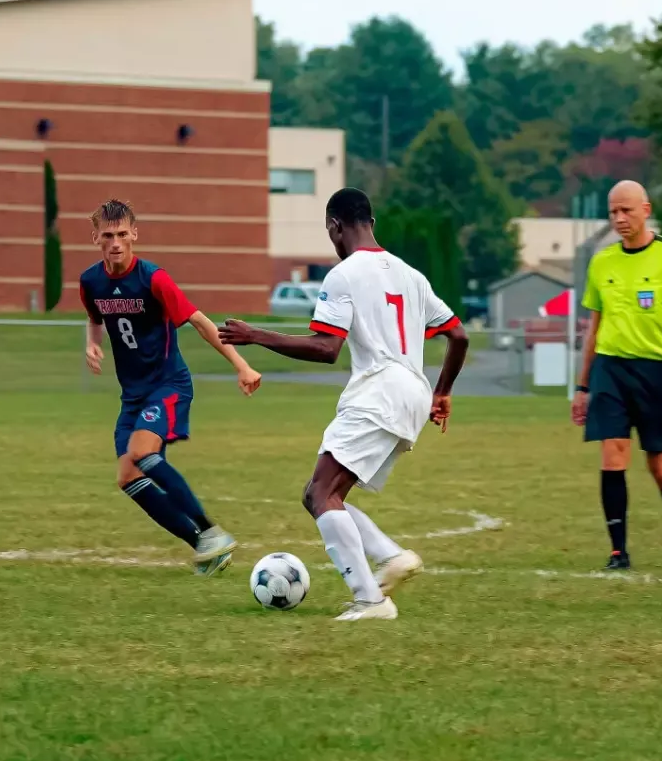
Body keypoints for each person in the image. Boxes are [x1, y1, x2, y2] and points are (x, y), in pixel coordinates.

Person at [221, 188, 469, 620]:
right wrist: (442, 392)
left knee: (321, 493)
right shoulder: (412, 275)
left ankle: (370, 599)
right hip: (413, 392)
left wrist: (257, 336)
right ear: (371, 222)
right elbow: (459, 335)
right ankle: (389, 558)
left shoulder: (344, 274)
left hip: (379, 392)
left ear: (336, 226)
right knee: (320, 494)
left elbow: (326, 347)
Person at [81, 199, 263, 576]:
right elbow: (94, 316)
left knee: (143, 453)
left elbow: (199, 321)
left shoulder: (154, 279)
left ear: (134, 234)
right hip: (132, 395)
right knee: (127, 475)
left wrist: (242, 365)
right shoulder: (90, 282)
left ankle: (212, 531)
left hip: (168, 384)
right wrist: (92, 342)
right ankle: (203, 546)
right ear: (95, 237)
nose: (115, 242)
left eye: (121, 234)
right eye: (107, 235)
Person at [570, 180, 662, 570]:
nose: (619, 218)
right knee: (613, 453)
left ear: (646, 209)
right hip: (610, 369)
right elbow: (593, 329)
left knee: (661, 466)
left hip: (660, 373)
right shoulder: (602, 261)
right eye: (613, 211)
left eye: (626, 210)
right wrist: (582, 385)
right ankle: (618, 552)